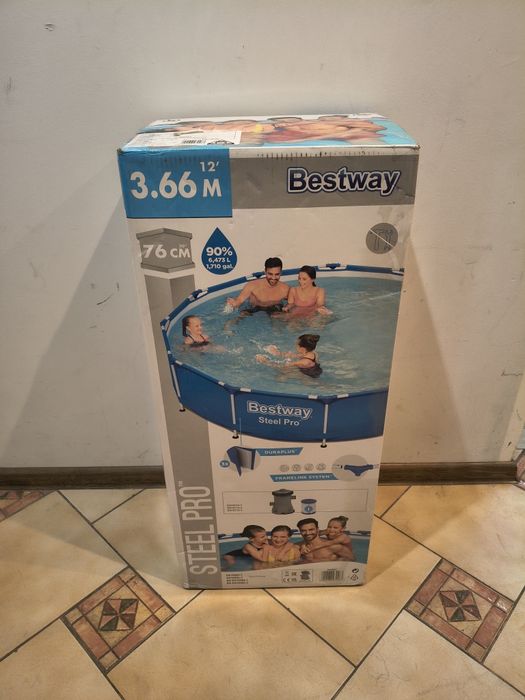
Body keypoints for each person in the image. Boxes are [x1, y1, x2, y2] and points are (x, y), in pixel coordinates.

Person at [256, 333, 322, 378]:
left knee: (280, 376)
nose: (295, 346)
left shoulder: (302, 362)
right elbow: (294, 355)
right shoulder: (314, 353)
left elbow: (280, 367)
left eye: (296, 345)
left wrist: (265, 361)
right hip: (315, 372)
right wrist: (278, 353)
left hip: (307, 378)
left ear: (302, 349)